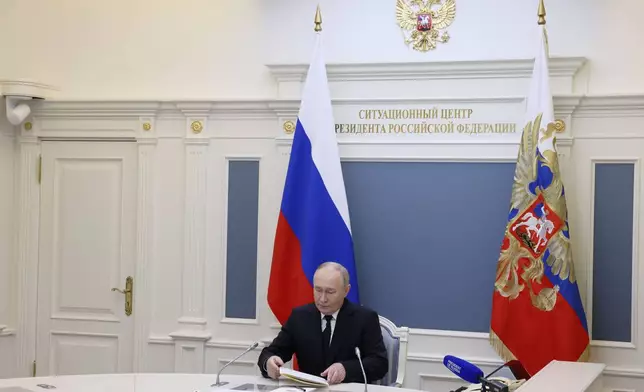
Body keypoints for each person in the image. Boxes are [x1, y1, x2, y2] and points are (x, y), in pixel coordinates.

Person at [257, 262, 388, 385]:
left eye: (330, 292)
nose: (323, 299)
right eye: (318, 290)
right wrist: (269, 362)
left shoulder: (365, 318)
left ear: (346, 291)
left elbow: (379, 363)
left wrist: (346, 369)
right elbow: (271, 352)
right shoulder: (300, 317)